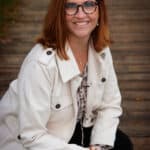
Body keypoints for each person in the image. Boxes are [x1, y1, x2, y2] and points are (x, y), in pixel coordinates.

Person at [0, 0, 133, 150]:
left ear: (99, 10)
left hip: (74, 125)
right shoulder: (40, 64)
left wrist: (99, 144)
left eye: (89, 4)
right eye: (71, 6)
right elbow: (32, 136)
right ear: (59, 14)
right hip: (30, 141)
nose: (81, 14)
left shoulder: (100, 49)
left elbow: (110, 105)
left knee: (122, 144)